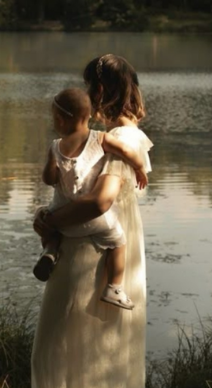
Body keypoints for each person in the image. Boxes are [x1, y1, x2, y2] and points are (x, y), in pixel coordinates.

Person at [29, 54, 154, 388]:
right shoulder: (119, 136)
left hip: (91, 257)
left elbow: (100, 201)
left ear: (99, 90)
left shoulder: (116, 138)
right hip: (102, 247)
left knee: (63, 357)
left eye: (88, 86)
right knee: (85, 359)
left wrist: (50, 220)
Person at [33, 86, 139, 311]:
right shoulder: (101, 138)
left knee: (44, 217)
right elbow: (126, 151)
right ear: (89, 114)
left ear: (60, 120)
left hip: (61, 217)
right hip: (92, 220)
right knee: (118, 241)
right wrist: (138, 167)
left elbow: (49, 179)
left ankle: (50, 250)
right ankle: (114, 288)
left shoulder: (55, 146)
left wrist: (54, 166)